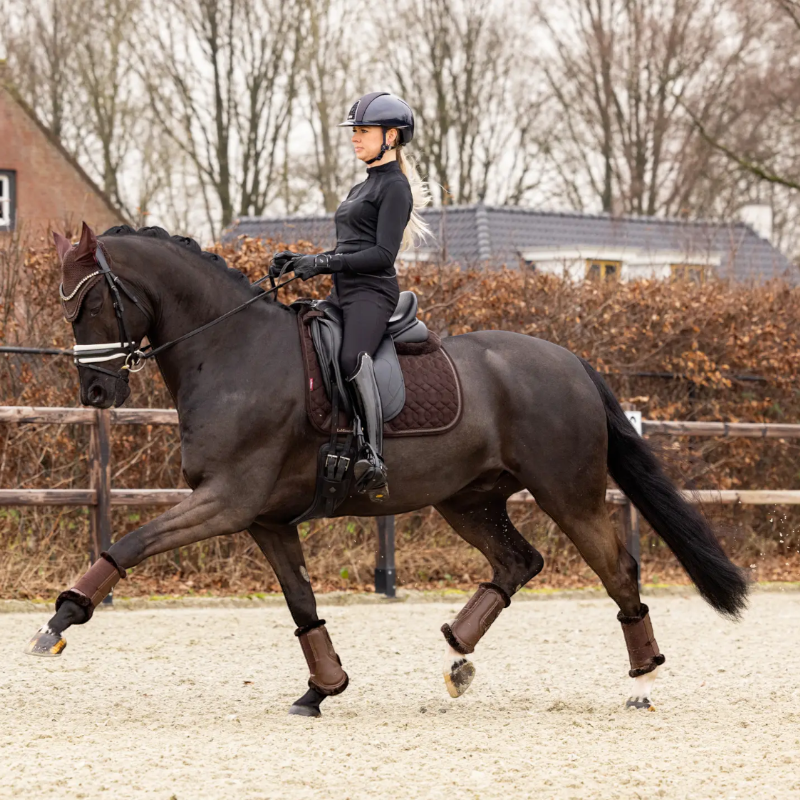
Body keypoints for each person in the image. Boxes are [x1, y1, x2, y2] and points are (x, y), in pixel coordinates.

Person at [273, 91, 430, 501]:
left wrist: (324, 263)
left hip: (372, 294)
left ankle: (374, 457)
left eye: (363, 131)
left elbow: (381, 255)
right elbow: (348, 246)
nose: (355, 138)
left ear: (391, 137)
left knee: (349, 358)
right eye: (354, 131)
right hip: (343, 291)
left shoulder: (395, 187)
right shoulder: (363, 186)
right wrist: (300, 260)